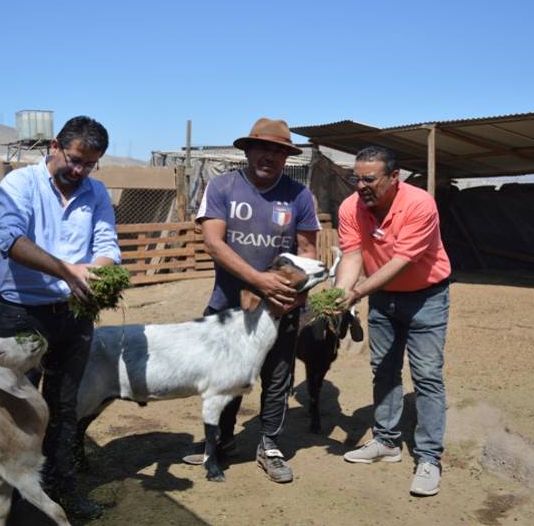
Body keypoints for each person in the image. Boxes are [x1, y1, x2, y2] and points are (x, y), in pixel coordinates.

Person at [0, 115, 120, 518]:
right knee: (14, 407)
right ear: (54, 147)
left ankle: (63, 490)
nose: (80, 170)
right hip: (20, 313)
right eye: (75, 159)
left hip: (74, 314)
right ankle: (5, 499)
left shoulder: (96, 193)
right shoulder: (19, 184)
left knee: (64, 407)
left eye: (90, 164)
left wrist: (96, 269)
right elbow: (10, 239)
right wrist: (67, 269)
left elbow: (106, 244)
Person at [189, 117, 320, 483]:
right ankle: (222, 441)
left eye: (279, 151)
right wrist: (259, 280)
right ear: (246, 149)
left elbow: (308, 249)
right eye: (263, 147)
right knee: (225, 376)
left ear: (286, 157)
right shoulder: (222, 186)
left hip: (282, 306)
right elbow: (214, 242)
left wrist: (297, 294)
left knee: (277, 376)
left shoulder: (299, 196)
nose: (270, 156)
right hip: (228, 305)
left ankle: (270, 444)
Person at [333, 145, 451, 496]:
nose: (361, 186)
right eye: (357, 178)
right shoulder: (350, 207)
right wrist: (340, 293)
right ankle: (386, 442)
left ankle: (429, 457)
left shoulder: (419, 204)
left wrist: (357, 293)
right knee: (383, 369)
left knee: (427, 375)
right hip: (384, 298)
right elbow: (352, 255)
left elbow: (400, 261)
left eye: (370, 179)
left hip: (426, 297)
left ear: (393, 177)